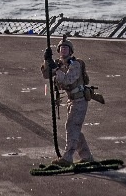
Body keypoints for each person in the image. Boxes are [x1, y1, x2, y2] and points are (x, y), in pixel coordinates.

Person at [42, 39, 94, 167]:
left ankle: (68, 157)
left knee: (71, 127)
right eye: (61, 48)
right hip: (72, 101)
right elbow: (46, 75)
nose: (63, 50)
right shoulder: (60, 64)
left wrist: (56, 69)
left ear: (71, 51)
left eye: (66, 48)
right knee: (74, 128)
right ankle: (86, 156)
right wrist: (46, 61)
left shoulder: (75, 64)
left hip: (80, 100)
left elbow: (67, 80)